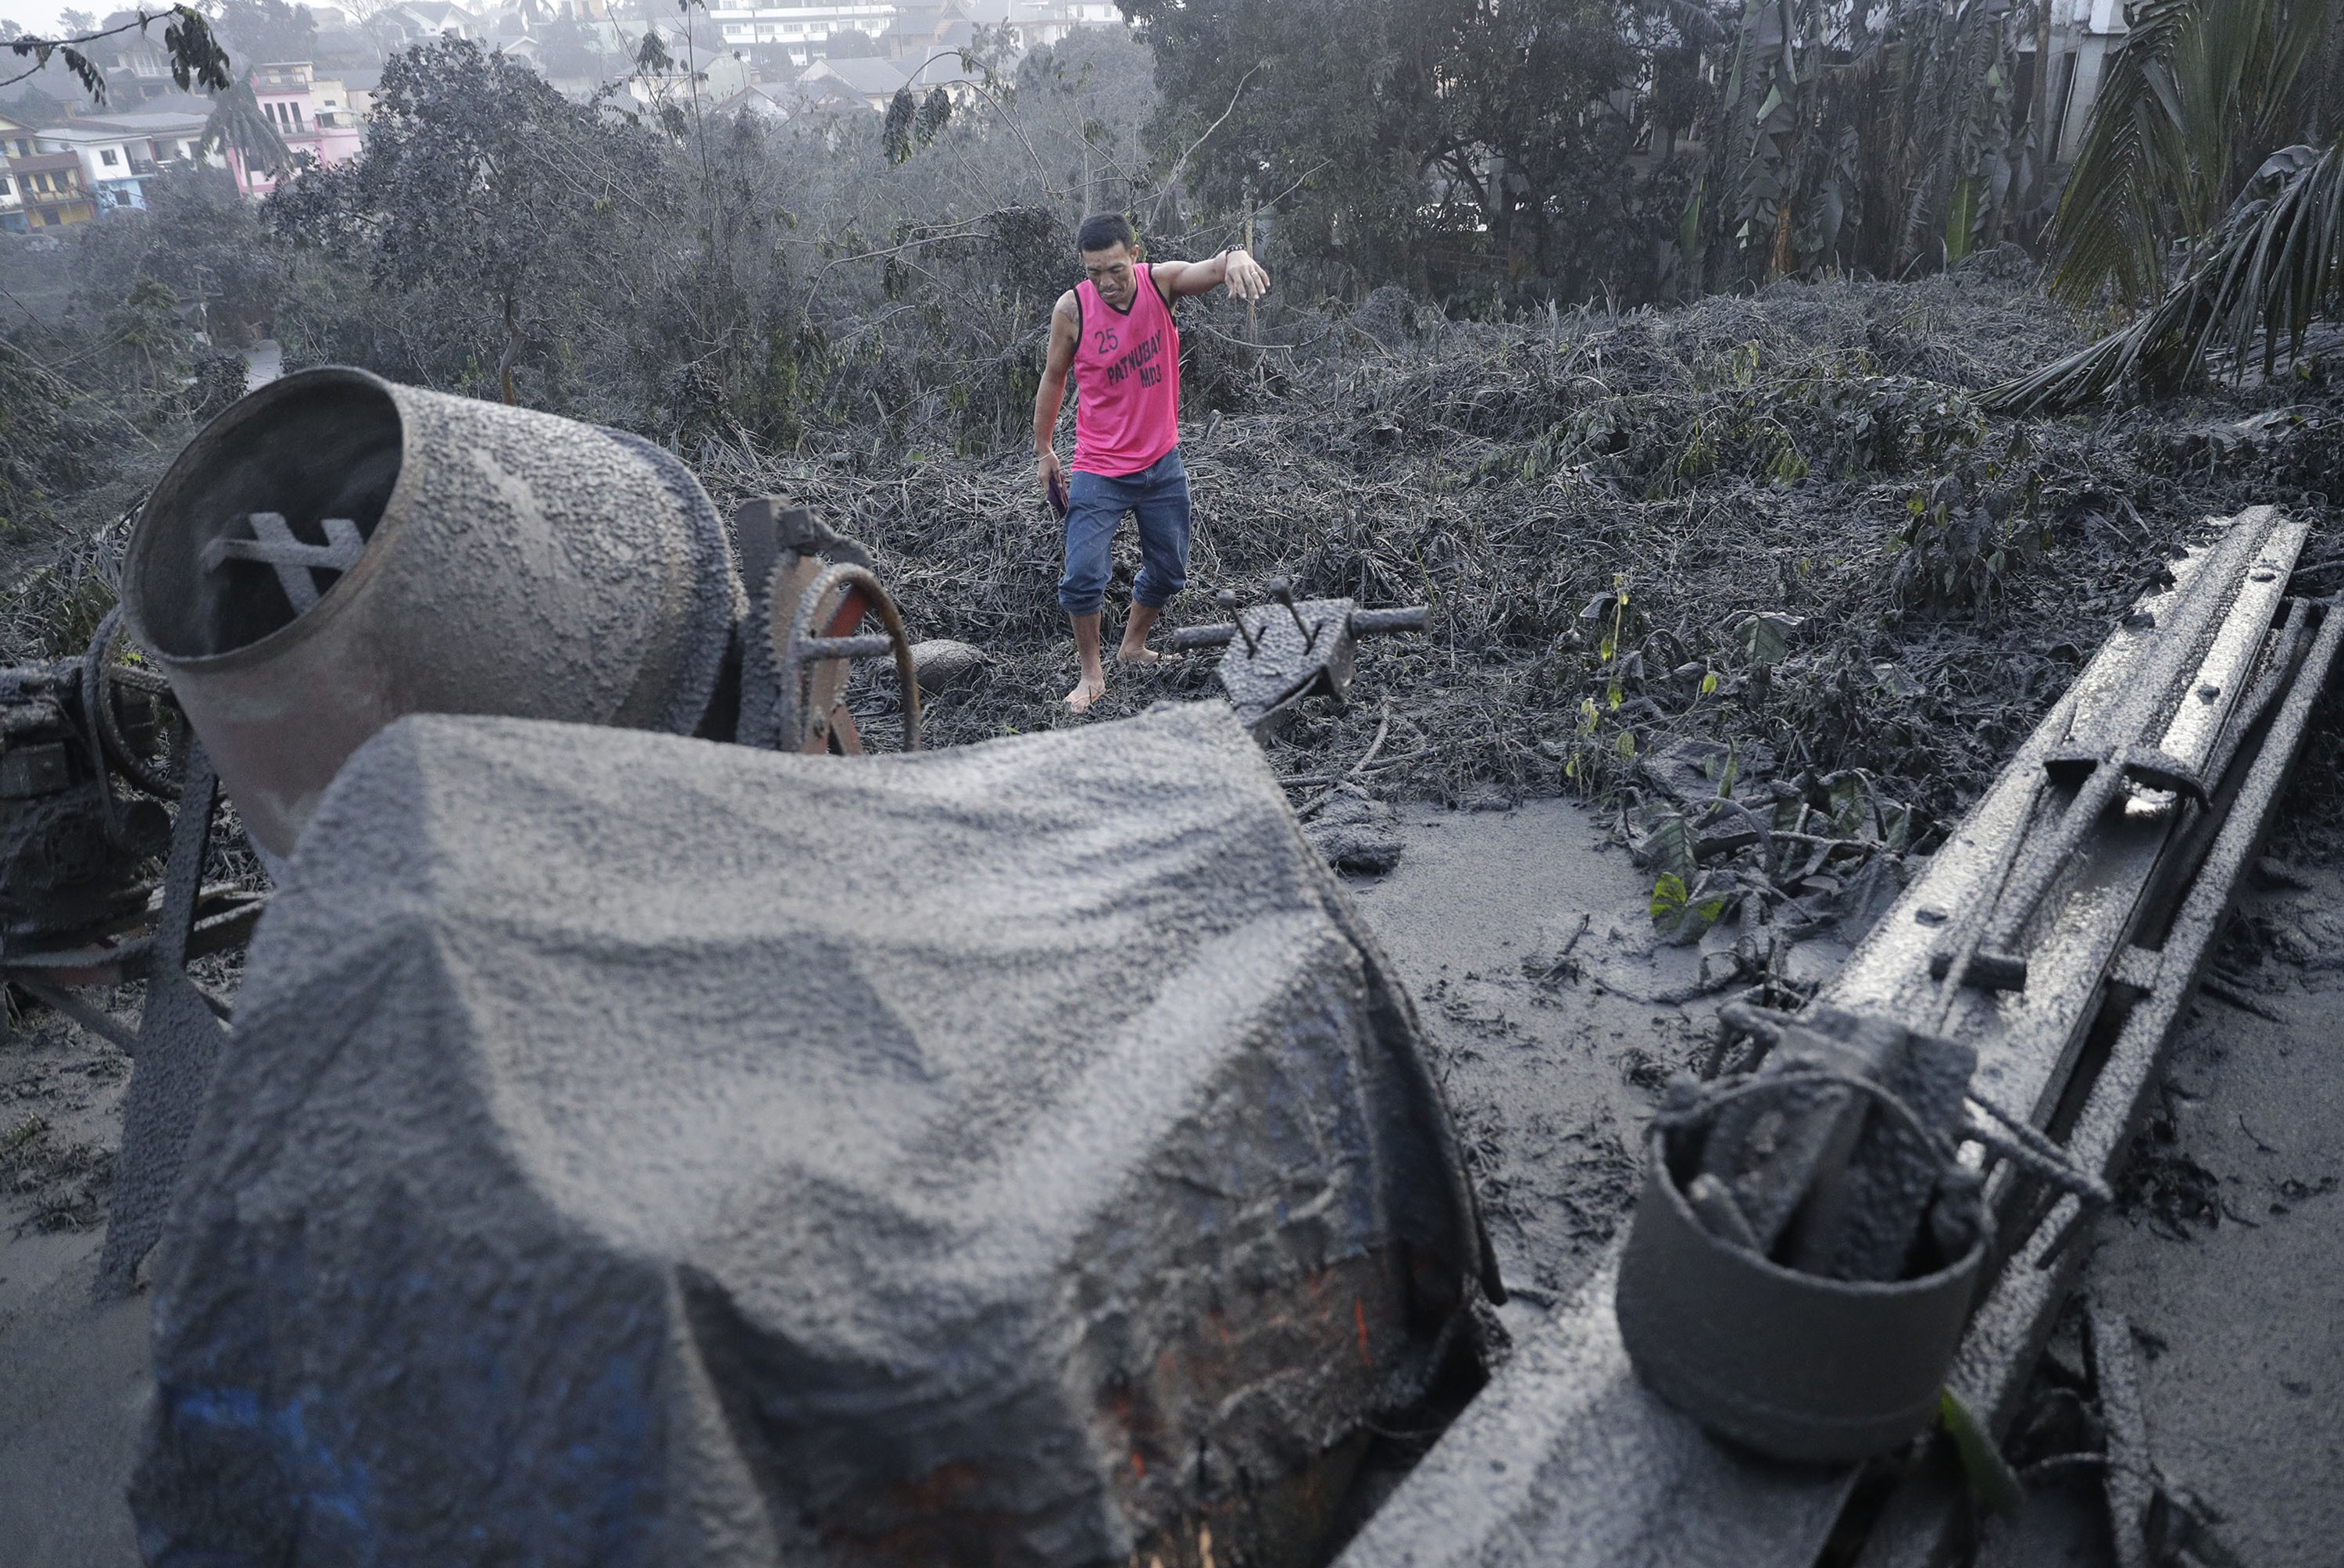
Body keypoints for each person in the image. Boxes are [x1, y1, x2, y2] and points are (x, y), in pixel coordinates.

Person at [1034, 213, 1270, 712]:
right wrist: (1045, 450)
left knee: (1168, 571)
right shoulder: (1072, 310)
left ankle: (1133, 646)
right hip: (1099, 467)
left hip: (1162, 465)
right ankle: (1091, 674)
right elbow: (1054, 378)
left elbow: (1209, 268)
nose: (1106, 283)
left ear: (1135, 257)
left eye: (1115, 269)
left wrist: (1237, 257)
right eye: (1094, 272)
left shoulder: (1161, 284)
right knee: (1082, 575)